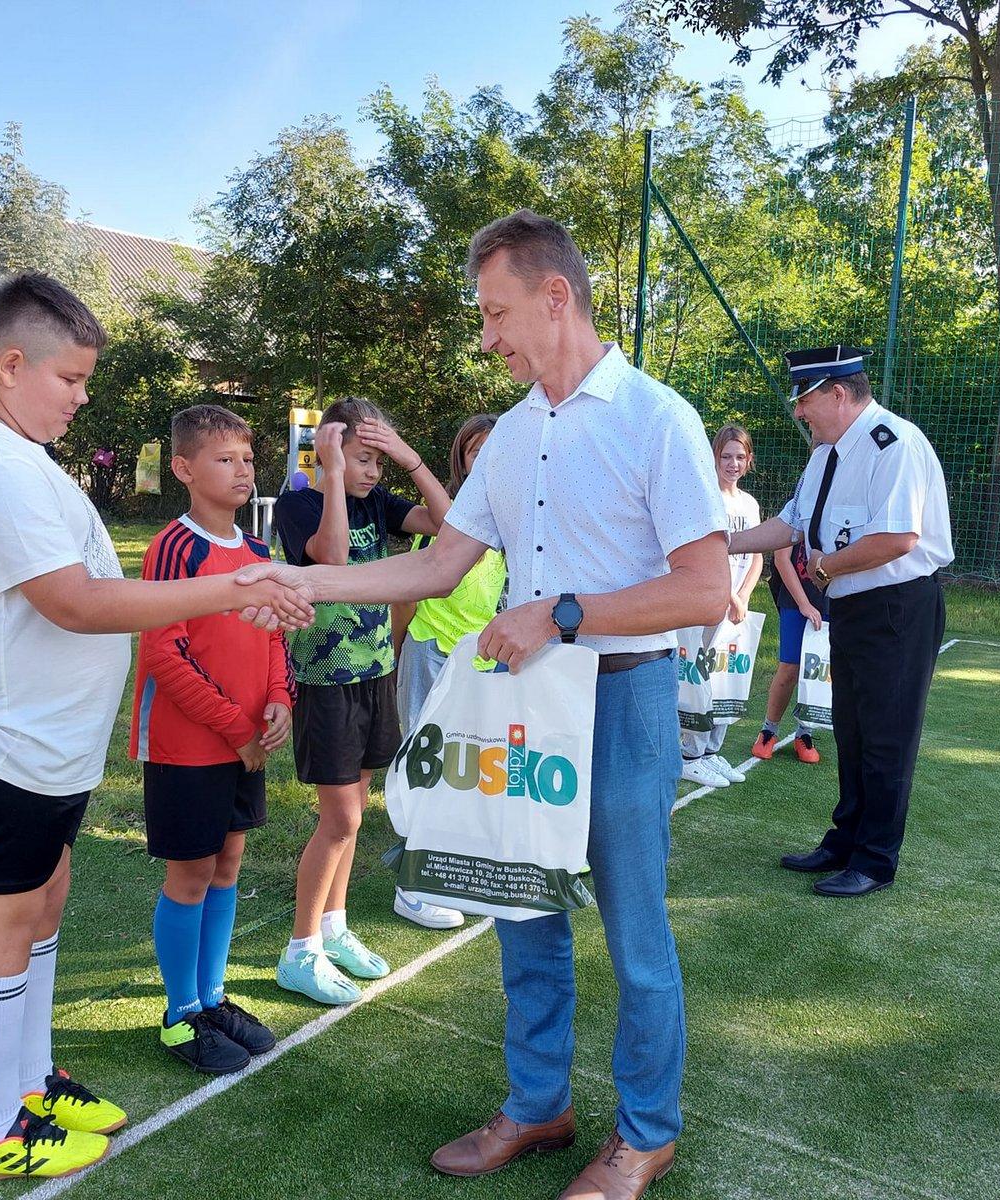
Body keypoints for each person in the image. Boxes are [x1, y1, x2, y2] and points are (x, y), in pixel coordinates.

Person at [239, 209, 767, 1200]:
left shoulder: (657, 418)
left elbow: (703, 591)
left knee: (635, 934)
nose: (486, 338)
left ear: (554, 297)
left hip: (624, 700)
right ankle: (537, 1107)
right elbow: (439, 565)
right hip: (527, 708)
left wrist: (559, 614)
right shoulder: (516, 433)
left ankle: (646, 1135)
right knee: (522, 913)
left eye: (494, 313)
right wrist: (307, 581)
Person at [0, 273, 310, 1184]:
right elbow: (76, 602)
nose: (81, 397)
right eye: (71, 379)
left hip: (43, 744)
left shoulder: (19, 455)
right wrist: (233, 587)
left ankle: (31, 1080)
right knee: (0, 924)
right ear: (10, 366)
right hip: (0, 740)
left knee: (42, 906)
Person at [729, 346, 953, 899]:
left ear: (837, 393)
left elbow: (898, 538)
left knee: (885, 738)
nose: (799, 411)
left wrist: (825, 568)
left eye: (804, 399)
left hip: (896, 608)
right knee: (851, 731)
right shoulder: (825, 454)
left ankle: (875, 860)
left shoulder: (893, 445)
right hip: (849, 607)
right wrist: (719, 544)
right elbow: (790, 525)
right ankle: (846, 840)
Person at [271, 398, 451, 1006]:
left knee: (354, 810)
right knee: (341, 819)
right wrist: (330, 476)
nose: (373, 472)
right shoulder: (299, 503)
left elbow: (451, 527)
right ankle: (300, 950)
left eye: (380, 461)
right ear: (330, 451)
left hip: (376, 673)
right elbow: (335, 556)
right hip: (326, 680)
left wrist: (410, 459)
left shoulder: (379, 500)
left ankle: (334, 927)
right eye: (362, 459)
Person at [129, 404, 288, 1075]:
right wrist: (236, 728)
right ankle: (179, 1014)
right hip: (189, 744)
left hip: (245, 743)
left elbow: (275, 637)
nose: (242, 469)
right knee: (191, 873)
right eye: (225, 458)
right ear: (184, 469)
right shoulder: (174, 548)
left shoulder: (259, 553)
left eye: (247, 458)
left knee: (227, 865)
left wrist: (279, 700)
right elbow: (163, 654)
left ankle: (213, 998)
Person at [389, 412, 504, 930]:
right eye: (476, 449)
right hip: (429, 651)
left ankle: (452, 870)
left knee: (465, 769)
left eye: (496, 447)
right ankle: (412, 887)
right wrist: (400, 651)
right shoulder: (445, 518)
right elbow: (409, 592)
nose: (487, 457)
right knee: (424, 763)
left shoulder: (513, 517)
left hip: (480, 661)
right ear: (461, 458)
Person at [677, 424, 762, 787]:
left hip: (735, 608)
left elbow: (756, 555)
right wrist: (728, 595)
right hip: (707, 602)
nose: (733, 463)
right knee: (698, 677)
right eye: (726, 456)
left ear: (749, 459)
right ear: (714, 457)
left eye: (740, 457)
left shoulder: (749, 503)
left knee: (727, 678)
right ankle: (689, 754)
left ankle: (712, 750)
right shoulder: (704, 497)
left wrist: (743, 595)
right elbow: (704, 554)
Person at [752, 470, 832, 766]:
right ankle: (768, 730)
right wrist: (804, 604)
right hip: (796, 601)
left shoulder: (842, 509)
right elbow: (782, 559)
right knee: (789, 667)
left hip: (831, 602)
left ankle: (804, 733)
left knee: (819, 668)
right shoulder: (797, 505)